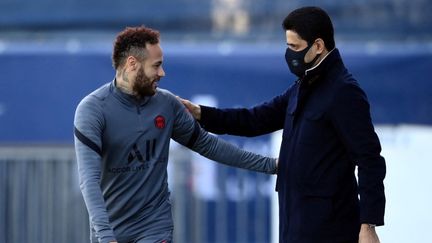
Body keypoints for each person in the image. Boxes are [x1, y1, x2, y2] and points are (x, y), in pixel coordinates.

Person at [179, 6, 386, 243]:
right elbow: (254, 120)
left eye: (294, 47)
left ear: (318, 46)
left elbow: (370, 159)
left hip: (330, 228)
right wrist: (201, 114)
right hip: (295, 223)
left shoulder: (344, 91)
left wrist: (368, 224)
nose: (289, 54)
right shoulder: (303, 86)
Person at [73, 26, 277, 243]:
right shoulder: (92, 109)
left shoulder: (167, 104)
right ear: (132, 63)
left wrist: (272, 165)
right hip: (109, 231)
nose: (162, 73)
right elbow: (89, 180)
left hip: (155, 227)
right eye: (157, 65)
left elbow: (209, 145)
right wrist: (105, 235)